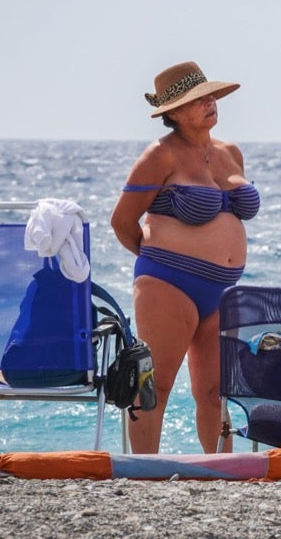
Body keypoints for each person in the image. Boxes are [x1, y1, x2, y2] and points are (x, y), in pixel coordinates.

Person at [111, 61, 259, 454]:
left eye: (210, 95)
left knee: (214, 392)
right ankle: (143, 475)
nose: (210, 103)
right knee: (153, 384)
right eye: (198, 100)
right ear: (173, 113)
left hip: (223, 291)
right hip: (168, 284)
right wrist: (163, 261)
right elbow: (122, 221)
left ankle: (220, 473)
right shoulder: (160, 157)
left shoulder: (230, 153)